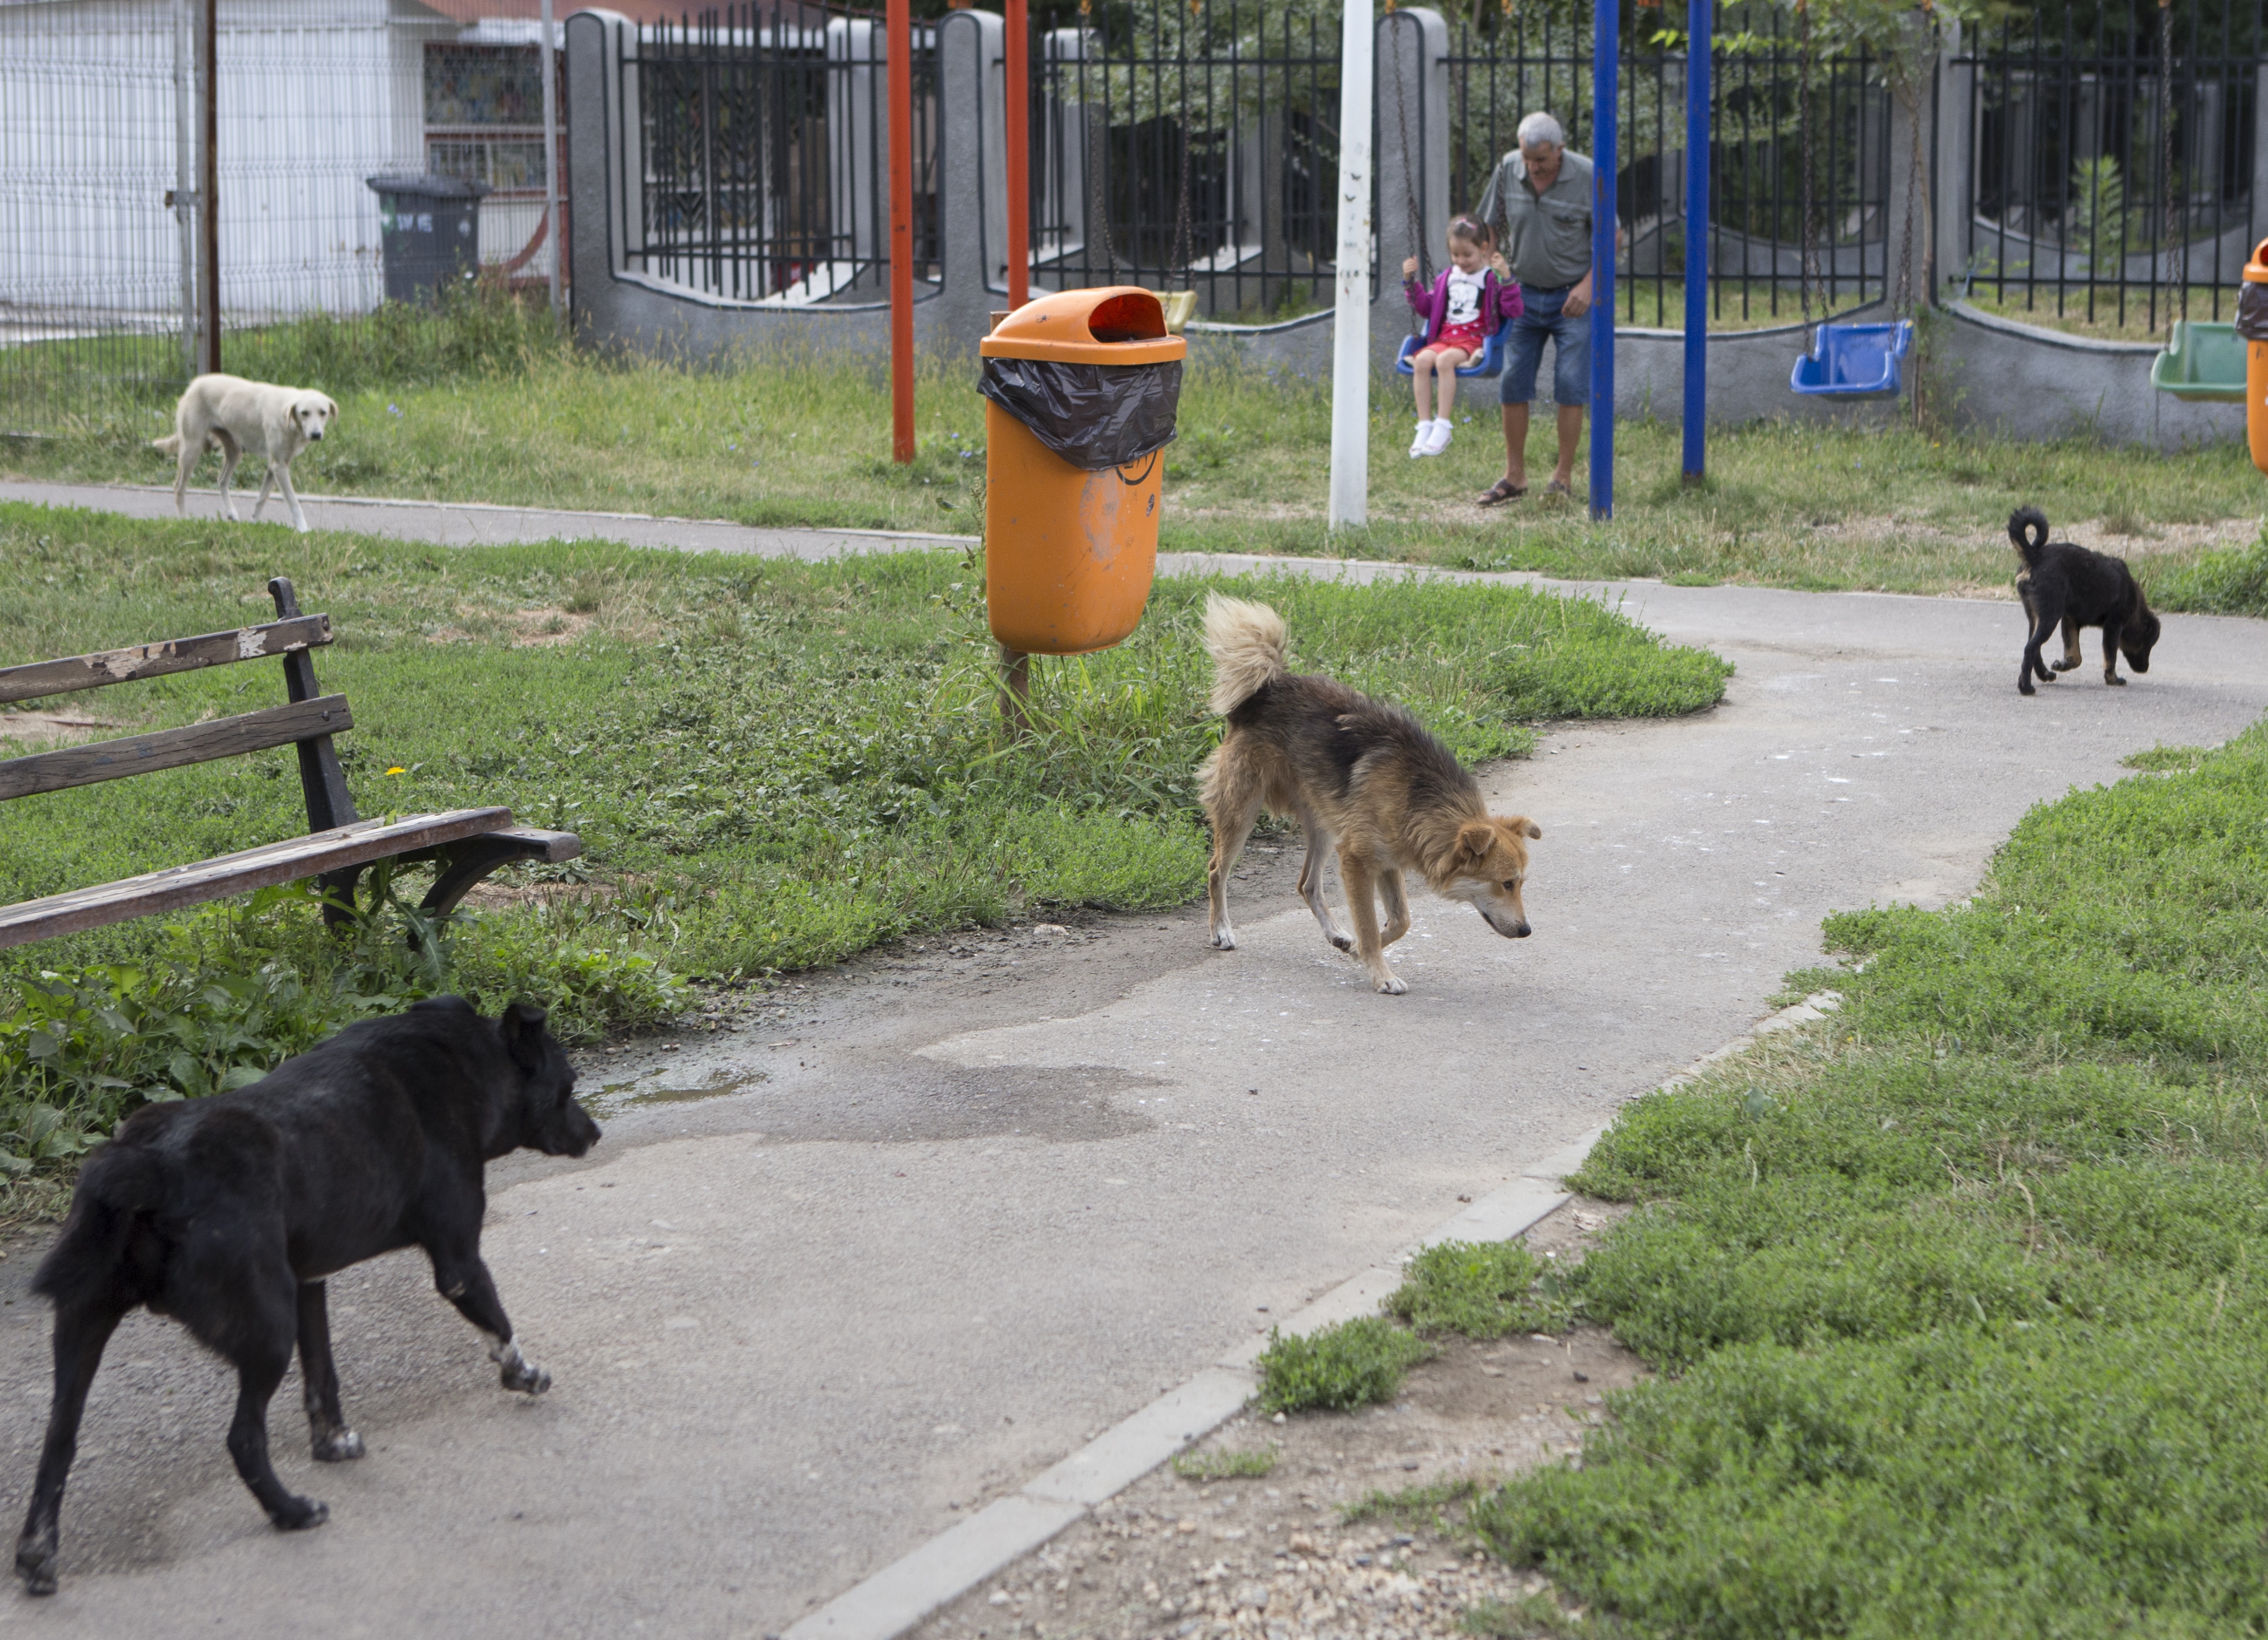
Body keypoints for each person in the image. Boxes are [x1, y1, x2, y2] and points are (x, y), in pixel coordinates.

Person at [1474, 111, 1598, 505]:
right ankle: (1515, 475)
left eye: (1541, 161)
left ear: (1560, 150)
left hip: (1571, 299)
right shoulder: (1509, 168)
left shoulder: (1587, 175)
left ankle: (1562, 477)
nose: (1533, 168)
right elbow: (1487, 225)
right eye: (1527, 159)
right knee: (1513, 381)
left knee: (1570, 385)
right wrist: (1493, 266)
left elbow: (1611, 238)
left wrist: (1588, 287)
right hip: (1521, 294)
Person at [1400, 215, 1523, 458]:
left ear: (1484, 248)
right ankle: (1424, 426)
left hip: (1472, 340)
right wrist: (1409, 282)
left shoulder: (1491, 278)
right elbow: (1427, 308)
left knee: (1444, 361)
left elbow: (1514, 310)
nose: (1461, 261)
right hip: (1444, 338)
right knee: (1423, 361)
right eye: (1456, 255)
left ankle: (1443, 425)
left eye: (1467, 255)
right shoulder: (1447, 278)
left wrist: (1507, 279)